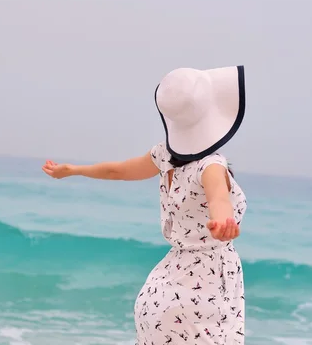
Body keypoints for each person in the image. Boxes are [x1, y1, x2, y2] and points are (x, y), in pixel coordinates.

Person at [42, 65, 247, 344]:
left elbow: (119, 171)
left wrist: (75, 170)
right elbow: (219, 198)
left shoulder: (164, 155)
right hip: (204, 287)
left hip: (164, 287)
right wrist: (223, 222)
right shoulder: (211, 166)